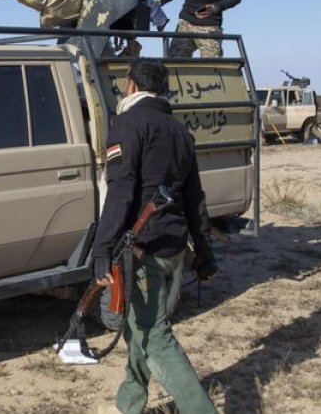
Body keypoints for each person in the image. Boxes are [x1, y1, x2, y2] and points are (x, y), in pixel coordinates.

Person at [93, 58, 219, 414]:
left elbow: (119, 193)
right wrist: (205, 253)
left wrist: (101, 249)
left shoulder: (128, 124)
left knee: (154, 335)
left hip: (142, 250)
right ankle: (131, 402)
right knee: (142, 328)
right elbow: (195, 198)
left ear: (131, 84)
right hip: (174, 248)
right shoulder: (179, 131)